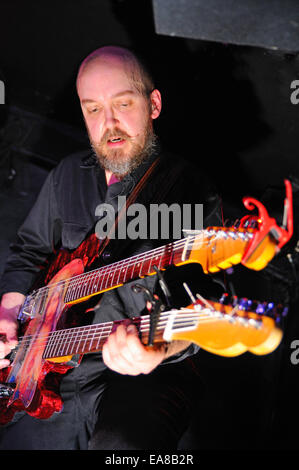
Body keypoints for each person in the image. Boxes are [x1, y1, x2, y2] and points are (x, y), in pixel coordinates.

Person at [0, 46, 221, 450]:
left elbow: (211, 301)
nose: (110, 124)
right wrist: (8, 314)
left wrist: (164, 346)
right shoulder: (68, 174)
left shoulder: (190, 189)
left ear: (153, 104)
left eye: (123, 103)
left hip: (148, 370)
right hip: (51, 366)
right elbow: (29, 249)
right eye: (93, 109)